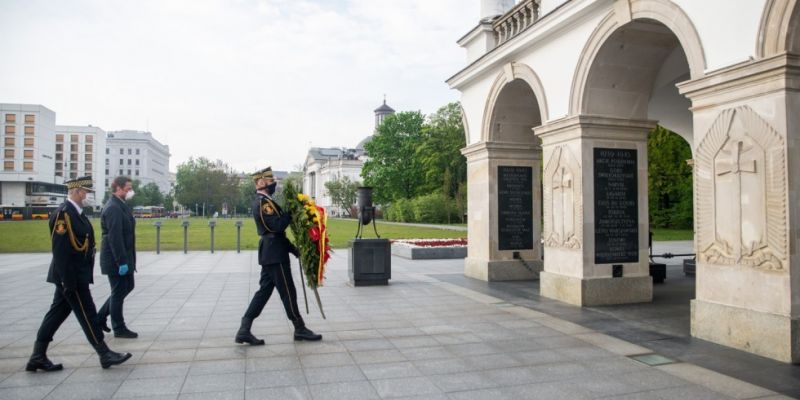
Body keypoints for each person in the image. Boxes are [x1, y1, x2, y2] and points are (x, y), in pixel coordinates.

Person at [26, 176, 132, 371]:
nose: (86, 195)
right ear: (76, 191)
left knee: (56, 314)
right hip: (71, 277)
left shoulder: (78, 214)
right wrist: (69, 281)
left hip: (76, 275)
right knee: (88, 314)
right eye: (84, 192)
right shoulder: (63, 215)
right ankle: (104, 354)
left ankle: (37, 356)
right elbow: (60, 252)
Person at [235, 166, 322, 345]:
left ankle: (244, 329)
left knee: (263, 293)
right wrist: (292, 213)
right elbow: (276, 227)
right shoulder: (263, 203)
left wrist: (294, 250)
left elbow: (278, 235)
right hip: (274, 254)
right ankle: (299, 328)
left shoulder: (268, 201)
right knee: (288, 291)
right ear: (261, 183)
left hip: (273, 251)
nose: (274, 183)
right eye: (270, 180)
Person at [96, 176, 138, 338]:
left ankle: (100, 318)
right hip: (115, 258)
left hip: (123, 256)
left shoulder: (121, 205)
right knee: (119, 291)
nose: (130, 191)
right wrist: (121, 261)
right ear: (118, 188)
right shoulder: (113, 207)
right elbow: (115, 237)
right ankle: (118, 327)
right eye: (128, 188)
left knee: (126, 287)